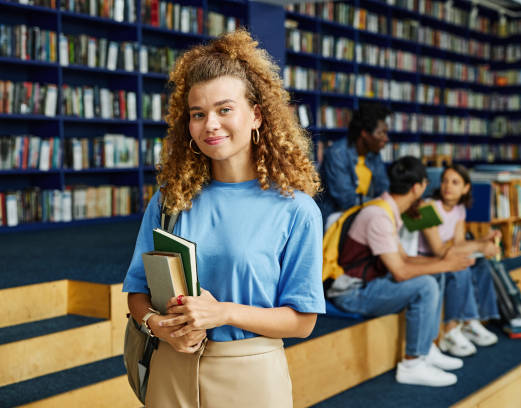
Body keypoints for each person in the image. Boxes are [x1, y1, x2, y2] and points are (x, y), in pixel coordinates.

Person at [122, 29, 325, 408]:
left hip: (249, 375)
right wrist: (158, 326)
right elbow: (137, 292)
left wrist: (222, 313)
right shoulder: (170, 201)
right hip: (170, 368)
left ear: (256, 116)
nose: (210, 124)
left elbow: (303, 321)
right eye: (198, 114)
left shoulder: (296, 210)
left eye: (224, 109)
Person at [327, 156, 475, 387]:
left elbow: (404, 258)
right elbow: (400, 272)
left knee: (435, 273)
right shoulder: (379, 216)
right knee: (425, 285)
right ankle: (412, 364)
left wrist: (441, 261)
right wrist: (446, 263)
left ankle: (427, 348)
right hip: (352, 292)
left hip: (371, 280)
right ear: (417, 187)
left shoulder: (387, 208)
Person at [419, 164, 501, 357]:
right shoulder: (428, 207)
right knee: (460, 266)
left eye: (455, 182)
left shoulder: (459, 209)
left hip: (443, 252)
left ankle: (472, 321)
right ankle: (450, 329)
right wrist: (478, 246)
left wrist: (483, 241)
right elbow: (438, 250)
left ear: (465, 188)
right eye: (445, 181)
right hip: (424, 257)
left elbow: (459, 243)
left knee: (481, 263)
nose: (448, 186)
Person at [317, 103, 391, 225]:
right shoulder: (337, 154)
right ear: (364, 134)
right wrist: (382, 203)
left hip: (363, 213)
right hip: (336, 217)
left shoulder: (373, 154)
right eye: (381, 133)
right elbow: (347, 200)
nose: (386, 138)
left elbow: (383, 188)